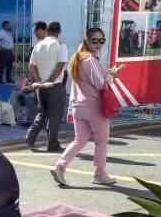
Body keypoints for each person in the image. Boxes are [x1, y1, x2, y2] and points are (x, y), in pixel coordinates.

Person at [51, 27, 122, 188]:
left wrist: (107, 74)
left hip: (79, 106)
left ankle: (60, 166)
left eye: (101, 40)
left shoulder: (77, 58)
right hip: (94, 106)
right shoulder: (89, 59)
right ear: (87, 41)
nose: (98, 44)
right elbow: (101, 84)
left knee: (80, 140)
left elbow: (84, 83)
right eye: (94, 40)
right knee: (101, 141)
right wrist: (112, 76)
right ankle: (99, 174)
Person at [25, 21, 68, 152]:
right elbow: (60, 66)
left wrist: (39, 80)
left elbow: (31, 66)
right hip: (54, 85)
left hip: (40, 86)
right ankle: (52, 143)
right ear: (59, 32)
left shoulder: (38, 45)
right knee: (55, 116)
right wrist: (50, 80)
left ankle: (30, 137)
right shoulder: (61, 45)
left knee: (42, 112)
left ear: (47, 30)